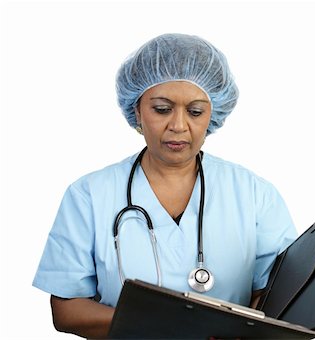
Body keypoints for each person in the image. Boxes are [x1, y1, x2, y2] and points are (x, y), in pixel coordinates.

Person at [33, 33, 298, 338]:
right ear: (137, 110)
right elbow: (67, 310)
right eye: (161, 109)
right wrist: (173, 325)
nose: (179, 125)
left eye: (195, 111)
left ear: (214, 114)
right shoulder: (88, 195)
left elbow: (279, 298)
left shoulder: (254, 194)